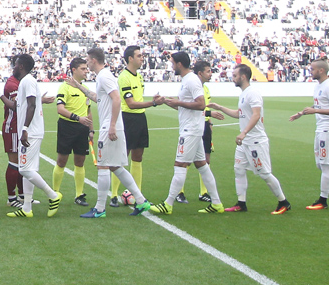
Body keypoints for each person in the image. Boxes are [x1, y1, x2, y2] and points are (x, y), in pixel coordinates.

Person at [78, 48, 152, 218]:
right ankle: (141, 201)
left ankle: (99, 209)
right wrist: (78, 86)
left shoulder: (104, 76)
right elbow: (99, 98)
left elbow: (117, 98)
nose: (87, 63)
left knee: (103, 165)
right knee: (115, 166)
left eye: (87, 60)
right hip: (113, 126)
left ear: (94, 60)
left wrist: (112, 125)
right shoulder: (102, 76)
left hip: (110, 127)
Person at [208, 64, 290, 214]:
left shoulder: (253, 93)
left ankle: (283, 202)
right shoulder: (244, 94)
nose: (232, 78)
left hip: (255, 141)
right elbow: (239, 114)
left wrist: (244, 132)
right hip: (245, 142)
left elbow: (256, 115)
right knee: (239, 169)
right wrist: (220, 108)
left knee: (264, 173)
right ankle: (241, 203)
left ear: (243, 77)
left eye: (235, 75)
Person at [150, 52, 225, 215]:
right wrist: (166, 101)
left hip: (190, 130)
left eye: (172, 63)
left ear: (179, 64)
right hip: (193, 128)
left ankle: (168, 204)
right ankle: (217, 203)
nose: (171, 66)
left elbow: (200, 104)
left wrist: (178, 101)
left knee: (180, 165)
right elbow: (182, 106)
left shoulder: (191, 80)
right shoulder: (187, 80)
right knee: (202, 165)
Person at [6, 54, 62, 218]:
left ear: (21, 66)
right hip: (30, 131)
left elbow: (32, 105)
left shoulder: (28, 81)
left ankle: (53, 195)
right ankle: (27, 208)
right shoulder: (26, 81)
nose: (14, 67)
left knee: (25, 169)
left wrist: (25, 129)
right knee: (28, 169)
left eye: (16, 64)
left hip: (30, 132)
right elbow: (21, 105)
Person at [110, 46, 164, 207]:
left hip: (140, 118)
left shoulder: (139, 76)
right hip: (128, 118)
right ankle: (114, 195)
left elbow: (138, 100)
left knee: (138, 157)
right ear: (130, 58)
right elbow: (131, 104)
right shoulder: (124, 77)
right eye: (139, 56)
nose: (142, 58)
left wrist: (152, 100)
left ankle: (137, 194)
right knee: (121, 157)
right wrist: (153, 103)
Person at [289, 58, 329, 210]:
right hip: (321, 128)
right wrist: (301, 113)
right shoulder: (319, 86)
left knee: (326, 165)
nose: (310, 71)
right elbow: (319, 104)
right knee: (321, 164)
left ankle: (322, 200)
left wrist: (315, 110)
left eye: (312, 69)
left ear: (321, 70)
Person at [180, 61, 225, 203]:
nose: (211, 74)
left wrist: (210, 124)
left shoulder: (205, 89)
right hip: (193, 125)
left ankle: (204, 192)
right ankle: (179, 192)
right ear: (200, 73)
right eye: (208, 71)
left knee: (205, 159)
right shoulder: (192, 86)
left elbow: (204, 107)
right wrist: (210, 113)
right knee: (185, 161)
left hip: (204, 125)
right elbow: (194, 107)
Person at [53, 58, 93, 207]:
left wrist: (91, 130)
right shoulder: (64, 88)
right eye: (83, 68)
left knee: (80, 161)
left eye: (86, 68)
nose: (86, 71)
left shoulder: (85, 89)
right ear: (74, 70)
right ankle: (55, 193)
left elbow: (88, 112)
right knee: (62, 160)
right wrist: (78, 118)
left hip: (82, 129)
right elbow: (60, 109)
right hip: (67, 127)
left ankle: (79, 195)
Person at [0, 64, 26, 207]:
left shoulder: (20, 82)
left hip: (19, 126)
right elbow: (16, 105)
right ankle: (11, 198)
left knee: (21, 162)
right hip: (13, 126)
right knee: (14, 162)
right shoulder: (12, 84)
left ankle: (22, 195)